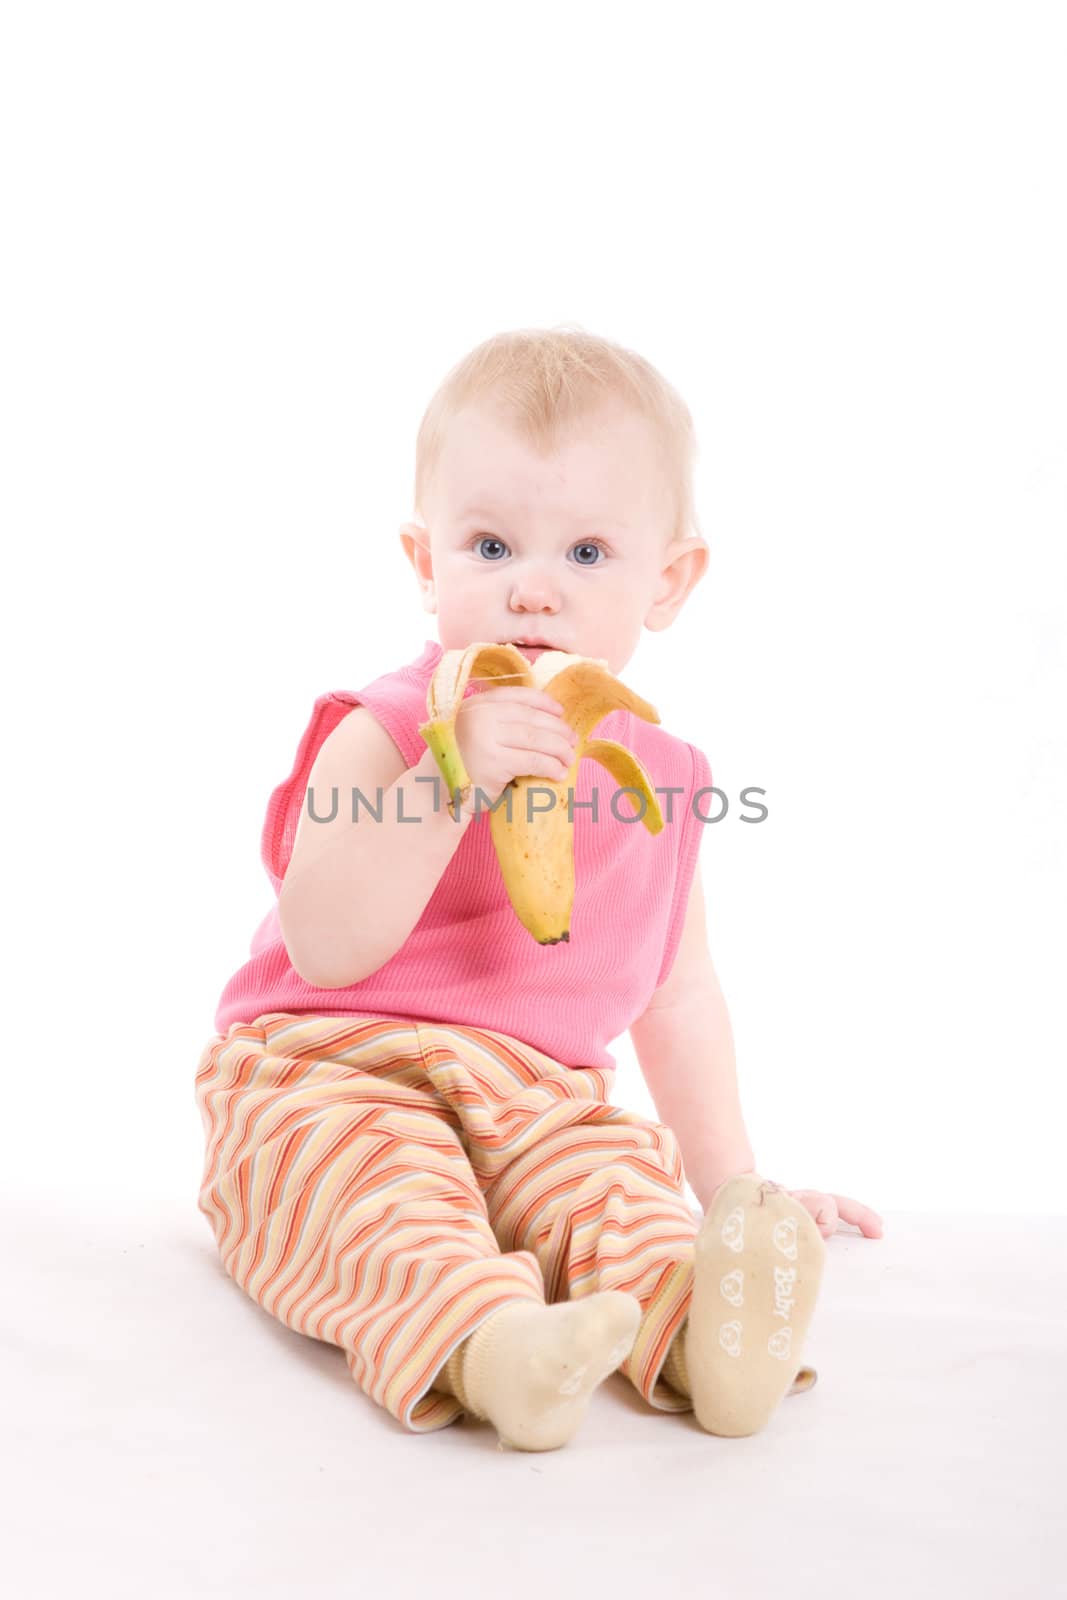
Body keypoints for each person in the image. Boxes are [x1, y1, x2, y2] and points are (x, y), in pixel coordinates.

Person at [195, 325, 883, 1453]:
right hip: (331, 1064)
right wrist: (448, 776)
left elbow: (676, 995)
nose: (533, 592)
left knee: (613, 1182)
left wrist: (734, 1186)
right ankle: (487, 1343)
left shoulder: (659, 780)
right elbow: (324, 941)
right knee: (368, 1193)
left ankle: (701, 1325)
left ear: (668, 581)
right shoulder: (382, 730)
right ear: (425, 565)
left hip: (537, 1094)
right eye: (489, 544)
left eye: (587, 555)